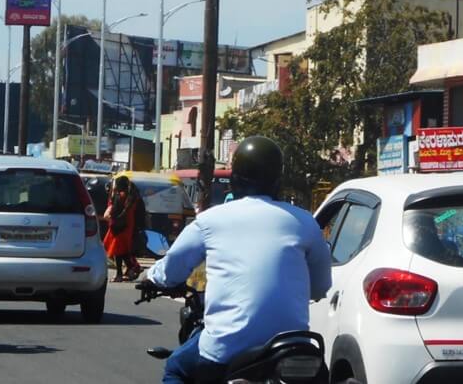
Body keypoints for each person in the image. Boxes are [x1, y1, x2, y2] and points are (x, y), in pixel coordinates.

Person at [139, 136, 332, 384]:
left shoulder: (211, 220)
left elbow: (170, 271)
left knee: (176, 367)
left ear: (235, 179)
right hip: (292, 348)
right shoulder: (305, 222)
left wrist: (149, 276)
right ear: (277, 181)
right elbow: (320, 286)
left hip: (226, 349)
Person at [103, 176, 142, 281]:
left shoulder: (120, 195)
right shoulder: (132, 195)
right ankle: (131, 267)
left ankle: (121, 273)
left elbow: (114, 210)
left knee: (118, 251)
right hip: (128, 225)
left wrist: (111, 217)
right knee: (122, 250)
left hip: (118, 226)